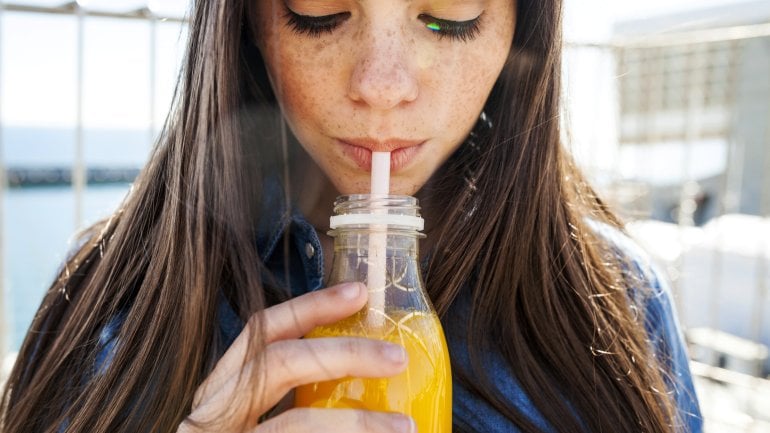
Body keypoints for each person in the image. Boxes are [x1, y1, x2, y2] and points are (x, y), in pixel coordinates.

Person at [0, 0, 703, 431]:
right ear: (246, 15)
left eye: (449, 15)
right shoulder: (108, 309)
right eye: (320, 12)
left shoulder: (616, 299)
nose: (383, 85)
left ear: (524, 24)